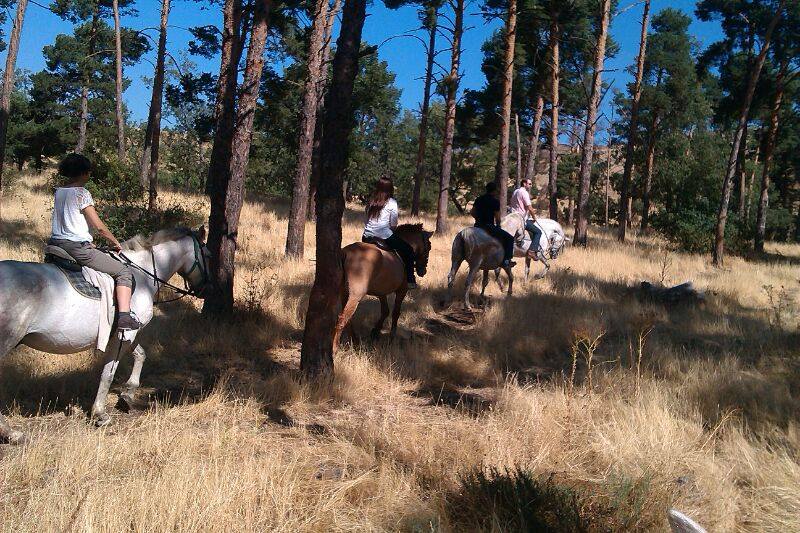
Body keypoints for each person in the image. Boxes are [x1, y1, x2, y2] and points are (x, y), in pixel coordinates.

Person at [48, 154, 141, 330]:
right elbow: (99, 227)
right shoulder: (82, 193)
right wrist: (115, 242)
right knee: (124, 271)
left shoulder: (59, 191)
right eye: (88, 172)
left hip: (56, 244)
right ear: (83, 173)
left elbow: (69, 221)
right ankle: (124, 318)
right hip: (77, 248)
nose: (89, 175)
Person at [362, 176, 417, 289]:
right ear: (390, 189)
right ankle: (410, 280)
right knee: (408, 250)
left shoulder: (371, 201)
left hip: (366, 236)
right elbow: (393, 225)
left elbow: (366, 221)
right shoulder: (392, 203)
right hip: (384, 236)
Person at [471, 182, 515, 268]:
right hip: (488, 226)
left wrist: (477, 219)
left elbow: (472, 212)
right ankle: (506, 261)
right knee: (510, 238)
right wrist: (498, 226)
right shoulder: (495, 201)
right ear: (494, 191)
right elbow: (498, 218)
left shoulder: (478, 199)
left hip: (477, 226)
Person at [510, 178, 542, 255]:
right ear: (524, 184)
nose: (531, 186)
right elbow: (529, 207)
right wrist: (534, 217)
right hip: (521, 218)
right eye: (530, 184)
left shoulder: (515, 191)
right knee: (538, 232)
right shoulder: (524, 192)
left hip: (512, 216)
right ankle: (532, 250)